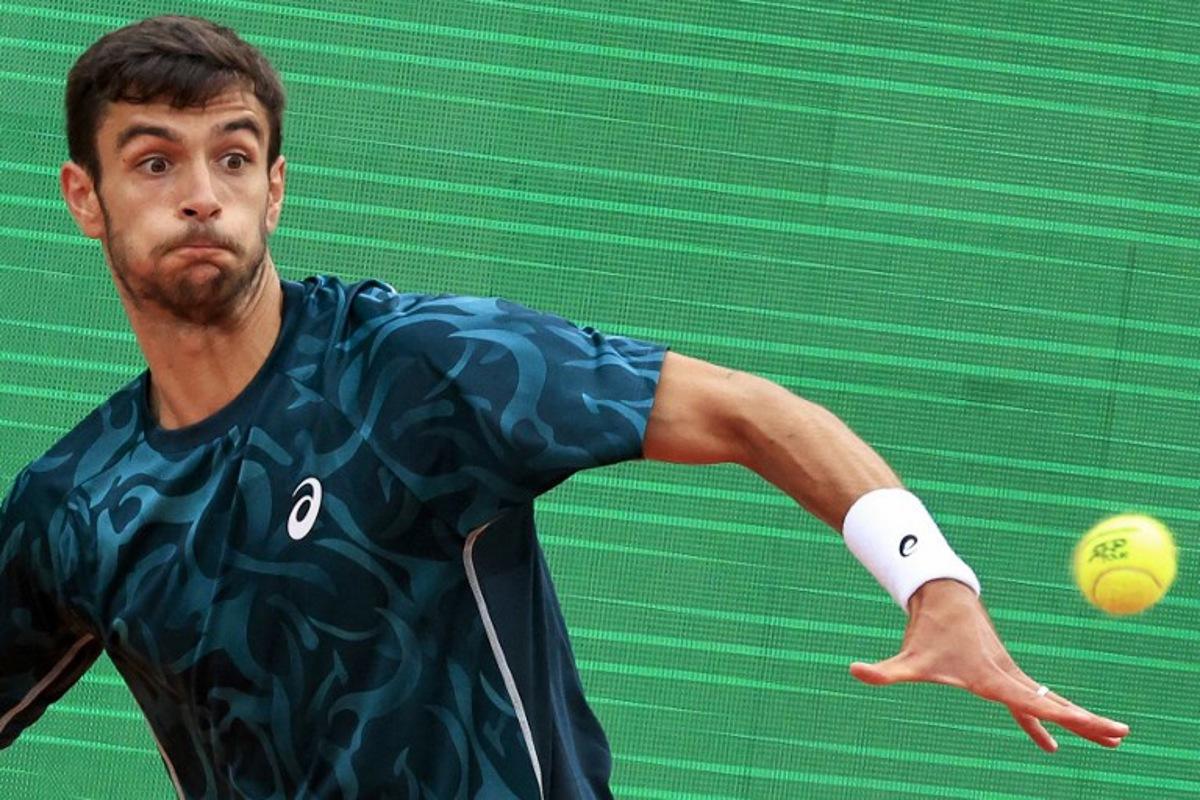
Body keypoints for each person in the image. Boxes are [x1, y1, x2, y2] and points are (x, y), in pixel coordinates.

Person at [0, 14, 1128, 800]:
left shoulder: (426, 366)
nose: (202, 194)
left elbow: (745, 410)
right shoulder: (78, 506)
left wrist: (933, 580)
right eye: (154, 163)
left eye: (233, 158)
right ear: (84, 199)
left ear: (275, 187)